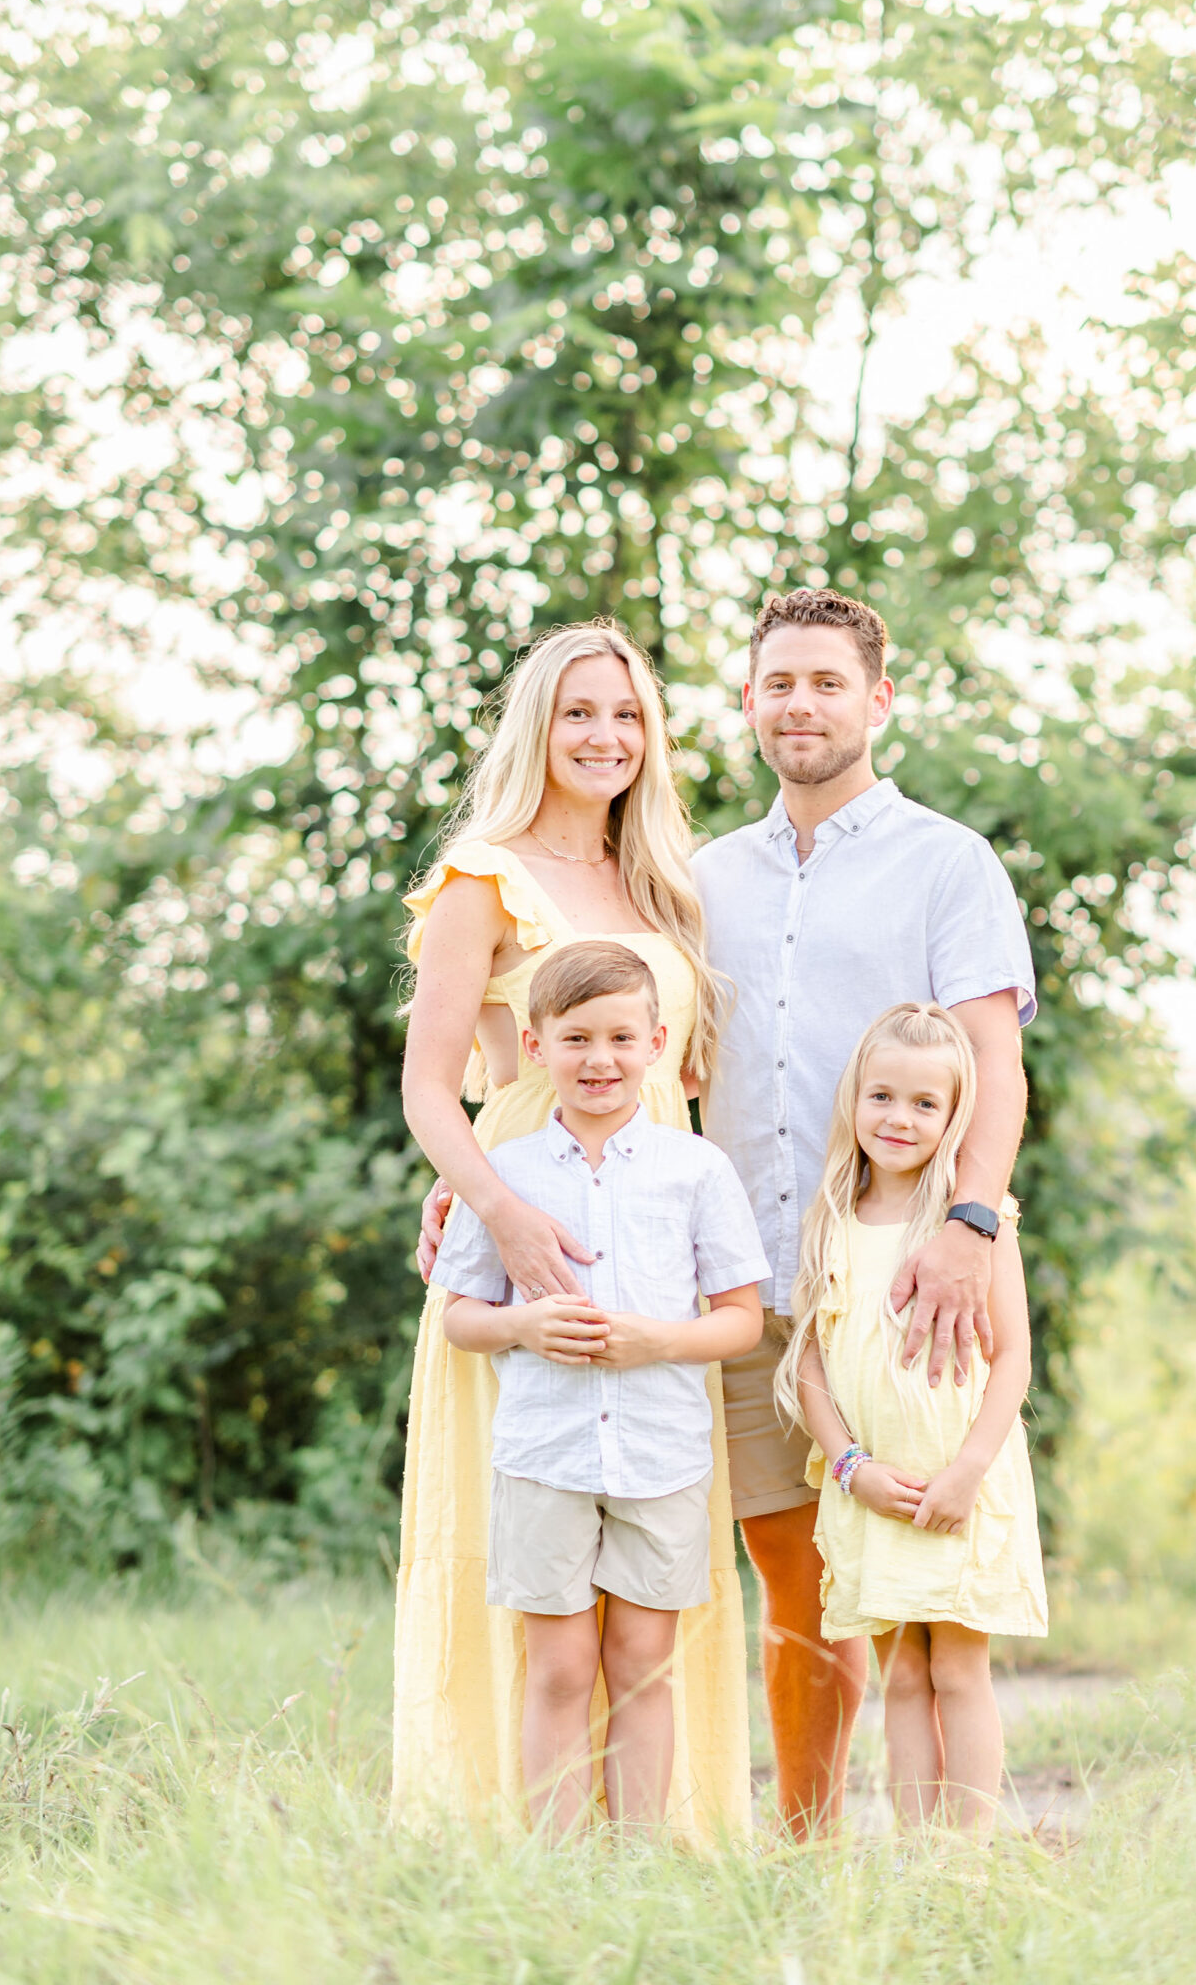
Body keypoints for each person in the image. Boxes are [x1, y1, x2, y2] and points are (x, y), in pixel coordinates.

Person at [418, 586, 1037, 1838]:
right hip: (720, 1279)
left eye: (827, 682)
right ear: (748, 704)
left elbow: (996, 1065)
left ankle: (943, 1858)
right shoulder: (693, 883)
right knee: (784, 1580)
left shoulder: (946, 862)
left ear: (879, 696)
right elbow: (595, 1048)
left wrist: (971, 1226)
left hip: (893, 1274)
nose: (800, 704)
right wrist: (481, 1172)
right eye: (778, 684)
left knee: (914, 1585)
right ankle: (802, 1850)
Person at [394, 622, 754, 1842]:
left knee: (651, 1563)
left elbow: (692, 1082)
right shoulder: (482, 876)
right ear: (537, 727)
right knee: (536, 1565)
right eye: (579, 713)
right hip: (528, 1235)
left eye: (629, 715)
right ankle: (511, 1836)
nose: (606, 737)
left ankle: (659, 1836)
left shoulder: (668, 883)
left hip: (655, 1239)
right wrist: (491, 1205)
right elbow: (433, 1085)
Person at [434, 941, 767, 1834]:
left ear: (657, 1043)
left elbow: (741, 1317)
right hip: (546, 1455)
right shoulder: (504, 1173)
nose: (600, 1060)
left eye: (622, 1037)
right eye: (576, 1038)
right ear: (536, 1047)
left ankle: (641, 1863)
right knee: (559, 1669)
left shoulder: (696, 1170)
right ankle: (556, 1865)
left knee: (643, 1662)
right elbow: (461, 1314)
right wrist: (522, 1326)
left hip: (661, 1455)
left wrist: (657, 1342)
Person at [776, 1003, 1047, 1833]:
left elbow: (1012, 1359)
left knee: (959, 1672)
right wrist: (852, 1468)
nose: (899, 1118)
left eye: (925, 1105)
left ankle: (965, 1859)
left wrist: (967, 1471)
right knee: (899, 1676)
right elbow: (812, 1361)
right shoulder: (829, 1218)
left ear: (955, 1116)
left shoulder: (977, 1224)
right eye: (882, 1096)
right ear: (854, 1099)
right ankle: (918, 1852)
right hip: (876, 1487)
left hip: (960, 1478)